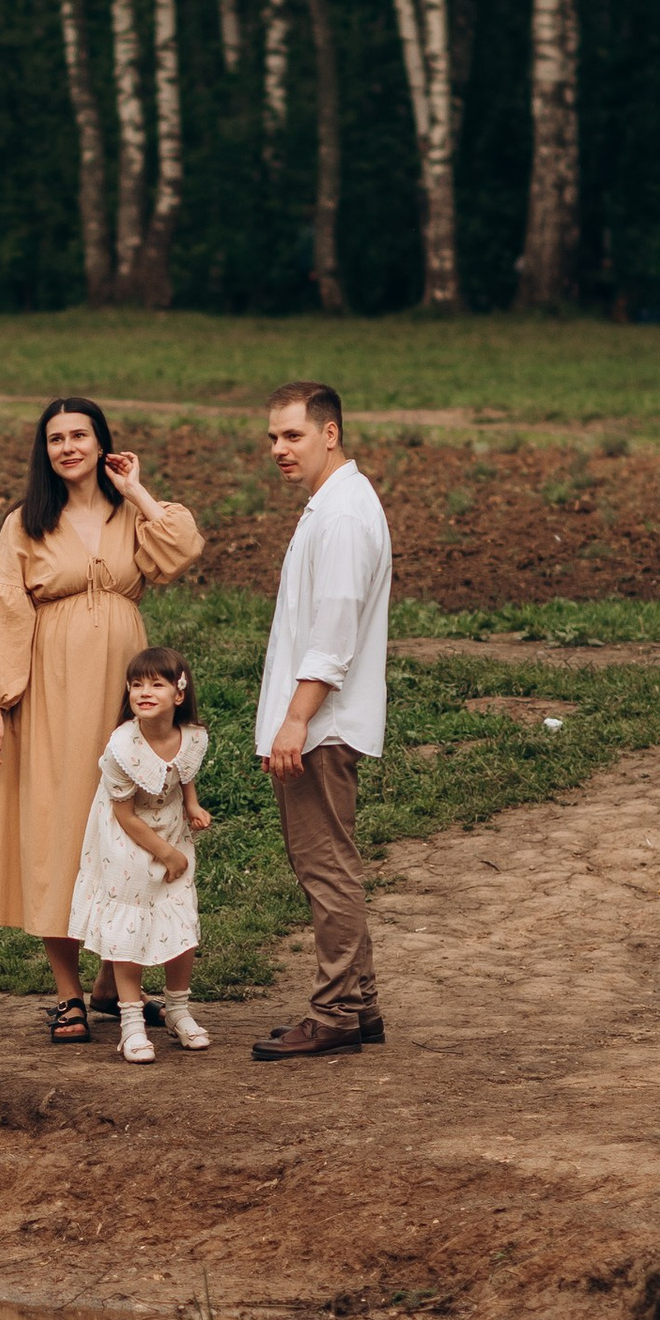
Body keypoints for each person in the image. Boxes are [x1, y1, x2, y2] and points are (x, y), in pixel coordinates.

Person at [0, 396, 205, 1043]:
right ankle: (69, 992)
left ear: (103, 444)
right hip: (52, 695)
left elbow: (182, 550)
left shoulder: (131, 512)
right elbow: (6, 611)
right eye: (55, 439)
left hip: (125, 692)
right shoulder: (27, 523)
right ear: (43, 453)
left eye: (80, 435)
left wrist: (138, 489)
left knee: (128, 824)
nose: (68, 447)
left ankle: (113, 981)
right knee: (61, 826)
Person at [250, 379, 392, 1061]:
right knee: (332, 862)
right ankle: (359, 1005)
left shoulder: (340, 517)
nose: (280, 449)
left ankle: (334, 1012)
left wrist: (294, 722)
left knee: (326, 869)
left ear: (329, 433)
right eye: (273, 437)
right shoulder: (334, 504)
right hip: (323, 719)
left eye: (293, 435)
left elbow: (333, 636)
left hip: (322, 724)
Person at [66, 644, 214, 1064]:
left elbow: (183, 772)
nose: (144, 691)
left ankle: (178, 1008)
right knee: (129, 923)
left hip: (170, 826)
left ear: (178, 695)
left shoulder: (193, 737)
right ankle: (131, 1020)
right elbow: (125, 816)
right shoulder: (121, 748)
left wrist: (191, 804)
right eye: (136, 685)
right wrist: (168, 855)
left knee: (179, 915)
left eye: (156, 684)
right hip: (125, 839)